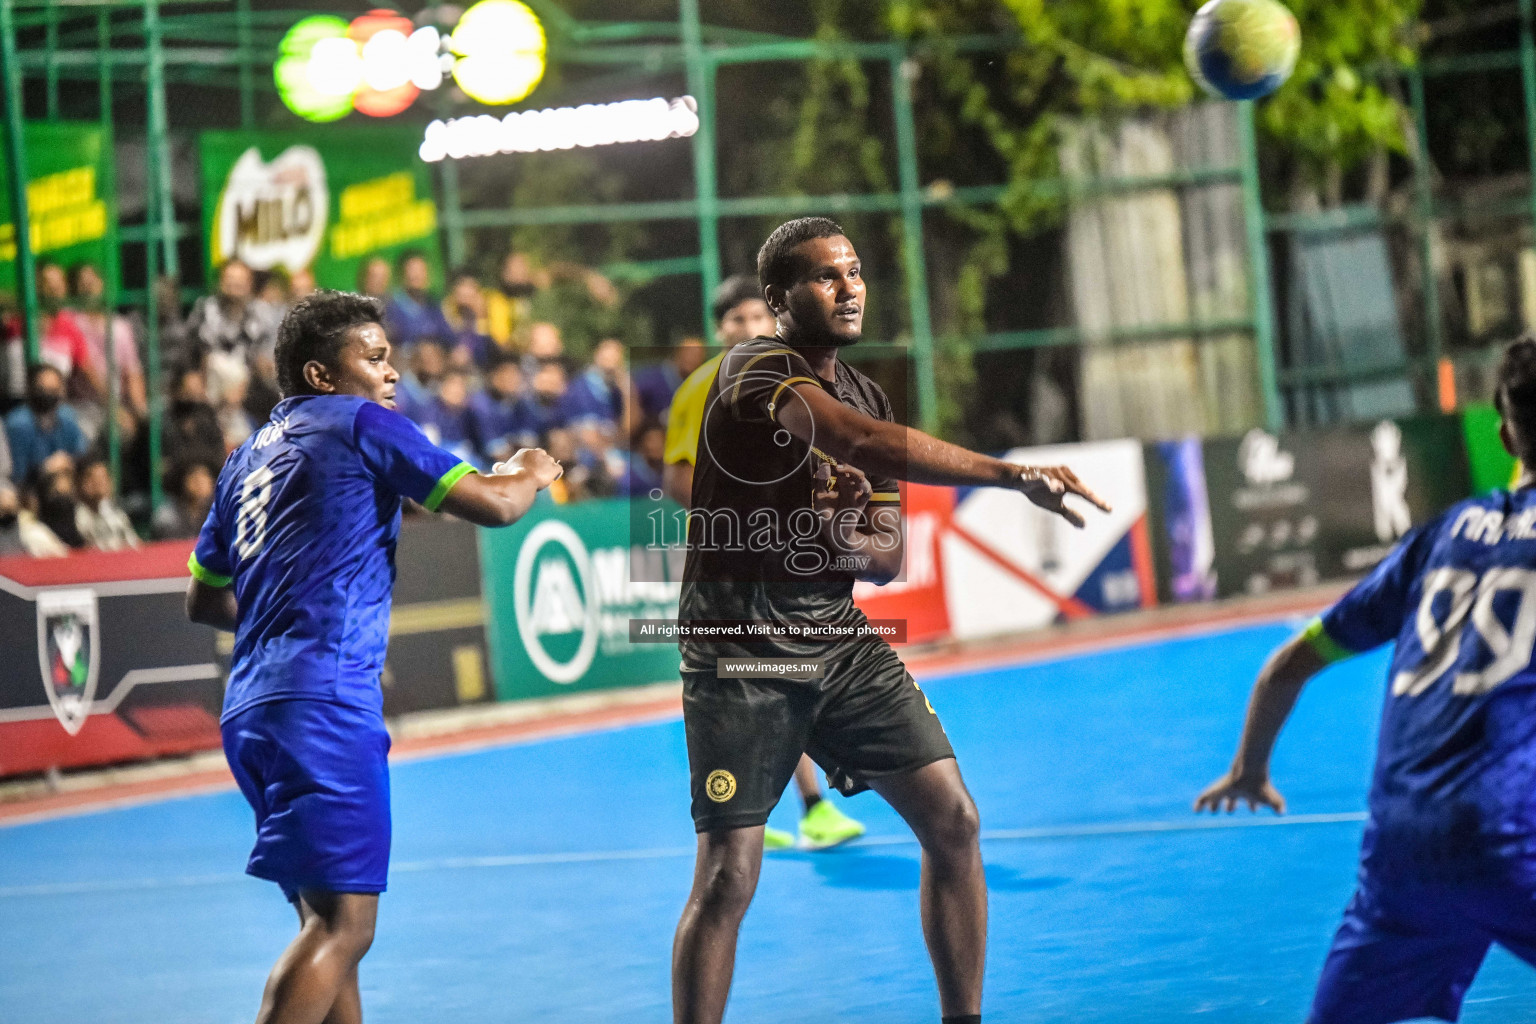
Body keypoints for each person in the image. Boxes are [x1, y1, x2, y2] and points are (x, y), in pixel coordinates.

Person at [671, 217, 1107, 1024]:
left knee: (954, 819)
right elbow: (856, 440)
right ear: (778, 299)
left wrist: (837, 526)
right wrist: (1012, 475)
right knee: (730, 875)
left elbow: (885, 557)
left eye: (856, 272)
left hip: (835, 636)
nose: (849, 288)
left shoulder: (868, 390)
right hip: (739, 647)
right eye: (826, 277)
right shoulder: (754, 366)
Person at [183, 290, 560, 1024]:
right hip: (324, 703)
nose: (392, 374)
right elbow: (494, 505)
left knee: (324, 920)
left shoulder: (243, 459)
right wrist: (529, 469)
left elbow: (202, 599)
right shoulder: (362, 424)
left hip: (252, 709)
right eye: (376, 358)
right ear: (323, 375)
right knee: (344, 929)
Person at [1194, 335, 1536, 1024]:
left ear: (1504, 432)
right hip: (1509, 839)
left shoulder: (1438, 538)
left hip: (1402, 857)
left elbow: (1287, 664)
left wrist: (1249, 768)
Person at [662, 273, 861, 851]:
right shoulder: (698, 388)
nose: (748, 328)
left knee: (783, 677)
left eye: (757, 318)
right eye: (736, 321)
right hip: (725, 568)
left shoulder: (797, 379)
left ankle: (794, 806)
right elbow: (676, 474)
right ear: (719, 328)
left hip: (791, 560)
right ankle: (791, 807)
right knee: (753, 683)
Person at [5, 364, 88, 485]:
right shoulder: (18, 424)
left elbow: (81, 455)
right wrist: (45, 468)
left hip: (68, 482)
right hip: (31, 488)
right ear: (31, 389)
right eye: (42, 389)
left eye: (53, 390)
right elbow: (18, 474)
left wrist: (67, 462)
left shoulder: (67, 417)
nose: (47, 395)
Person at [469, 356, 539, 466]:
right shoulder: (480, 405)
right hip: (482, 466)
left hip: (514, 464)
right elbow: (497, 453)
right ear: (493, 376)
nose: (512, 380)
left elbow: (530, 445)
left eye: (515, 374)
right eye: (507, 374)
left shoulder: (523, 404)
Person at [382, 250, 452, 351]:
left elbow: (448, 337)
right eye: (412, 269)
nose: (417, 275)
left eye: (421, 270)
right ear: (402, 273)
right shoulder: (391, 307)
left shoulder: (433, 304)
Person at [635, 337, 706, 425]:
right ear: (679, 353)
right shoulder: (652, 379)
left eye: (698, 355)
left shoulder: (698, 386)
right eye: (689, 353)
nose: (693, 359)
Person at [75, 454, 139, 551]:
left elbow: (135, 543)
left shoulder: (116, 513)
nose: (101, 485)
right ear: (82, 482)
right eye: (95, 480)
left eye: (104, 479)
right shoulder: (78, 517)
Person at [153, 460, 215, 541]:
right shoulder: (168, 515)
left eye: (204, 478)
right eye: (194, 478)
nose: (199, 484)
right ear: (184, 482)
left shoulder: (219, 512)